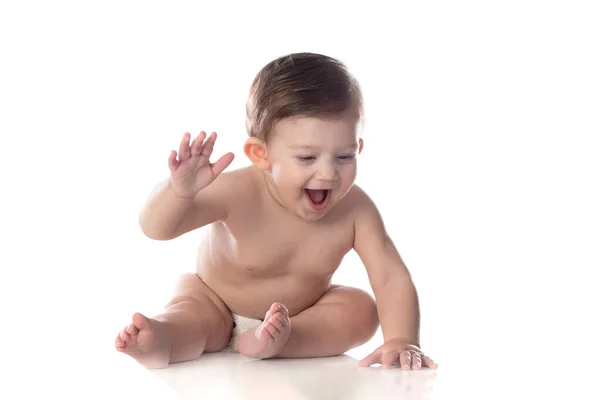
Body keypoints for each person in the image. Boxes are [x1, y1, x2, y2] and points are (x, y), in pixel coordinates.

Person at [115, 52, 438, 370]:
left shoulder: (357, 210)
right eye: (307, 158)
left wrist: (402, 339)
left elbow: (390, 276)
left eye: (344, 157)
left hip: (299, 316)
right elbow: (157, 229)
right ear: (261, 154)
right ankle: (163, 339)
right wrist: (179, 192)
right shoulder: (237, 190)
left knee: (361, 310)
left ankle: (282, 340)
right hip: (215, 300)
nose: (328, 174)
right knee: (191, 316)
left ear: (358, 148)